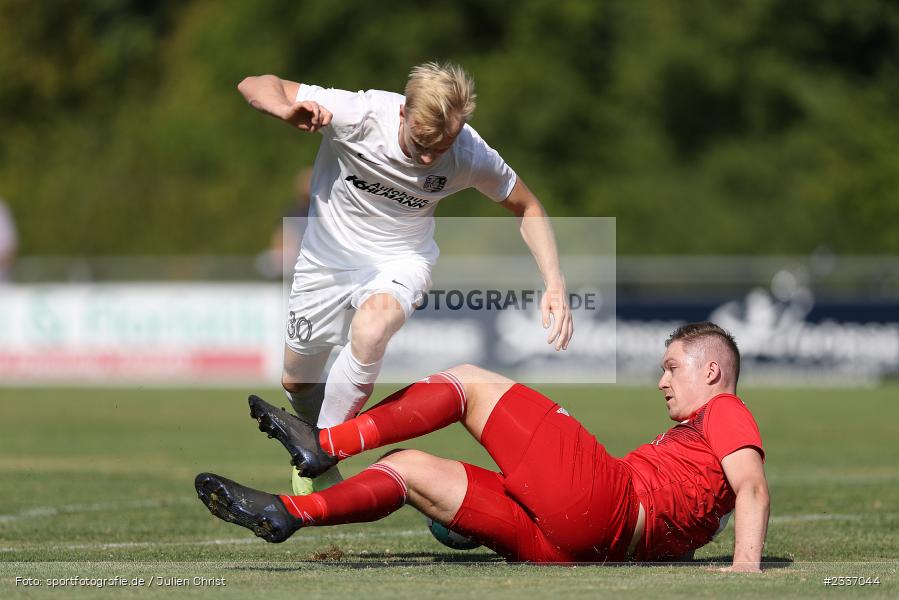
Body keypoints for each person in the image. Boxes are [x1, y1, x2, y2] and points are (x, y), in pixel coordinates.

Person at [237, 62, 573, 492]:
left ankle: (321, 454)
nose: (432, 158)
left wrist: (555, 283)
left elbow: (527, 206)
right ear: (402, 114)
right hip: (325, 260)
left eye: (443, 145)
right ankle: (312, 434)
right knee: (297, 379)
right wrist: (284, 109)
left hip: (401, 260)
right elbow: (254, 84)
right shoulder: (359, 114)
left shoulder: (469, 152)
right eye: (422, 143)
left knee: (373, 328)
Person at [196, 322, 770, 570]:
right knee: (408, 468)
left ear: (713, 371)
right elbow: (700, 520)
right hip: (575, 550)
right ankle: (288, 511)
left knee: (468, 382)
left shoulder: (725, 409)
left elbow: (752, 487)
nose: (663, 381)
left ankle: (326, 443)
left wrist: (746, 567)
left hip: (607, 507)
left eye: (672, 368)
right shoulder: (696, 454)